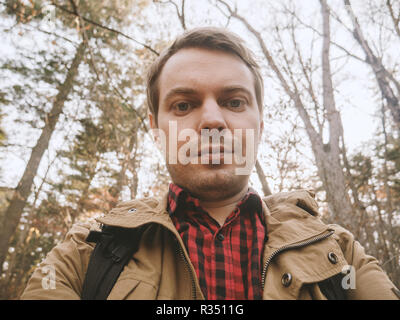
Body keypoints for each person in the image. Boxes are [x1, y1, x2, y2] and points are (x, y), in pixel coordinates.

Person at [21, 27, 399, 300]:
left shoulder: (341, 254)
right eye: (183, 105)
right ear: (156, 128)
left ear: (260, 125)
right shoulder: (86, 253)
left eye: (234, 102)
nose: (213, 120)